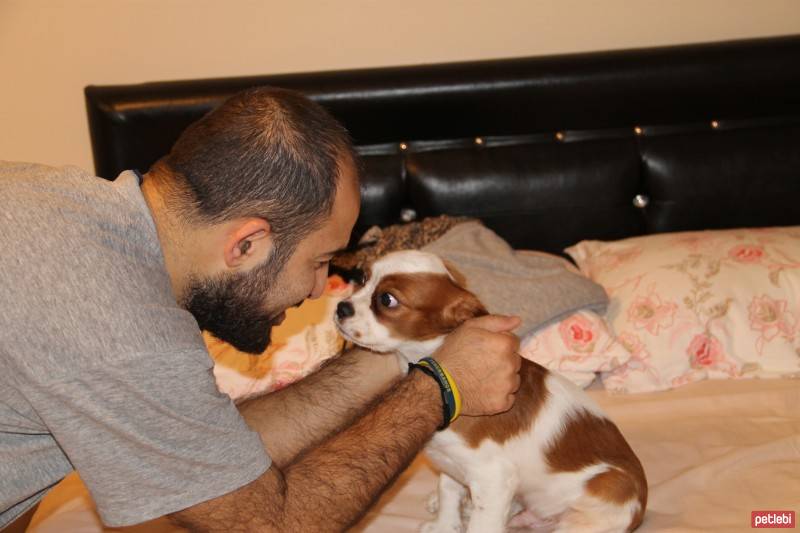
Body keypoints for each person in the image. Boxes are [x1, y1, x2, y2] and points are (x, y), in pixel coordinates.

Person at [0, 87, 522, 532]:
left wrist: (392, 354)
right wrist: (439, 388)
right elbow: (271, 523)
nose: (322, 289)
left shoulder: (56, 205)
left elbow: (215, 456)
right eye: (320, 261)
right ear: (247, 243)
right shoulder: (120, 324)